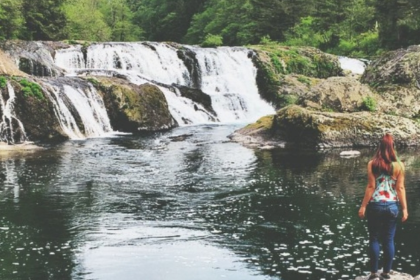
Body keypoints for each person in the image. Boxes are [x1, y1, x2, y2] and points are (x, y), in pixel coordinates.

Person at [358, 133, 408, 280]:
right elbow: (400, 188)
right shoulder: (399, 165)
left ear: (379, 146)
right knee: (389, 239)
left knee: (374, 238)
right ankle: (386, 273)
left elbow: (370, 186)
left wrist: (363, 206)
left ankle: (373, 273)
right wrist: (404, 209)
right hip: (392, 206)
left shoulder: (372, 163)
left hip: (375, 206)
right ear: (393, 147)